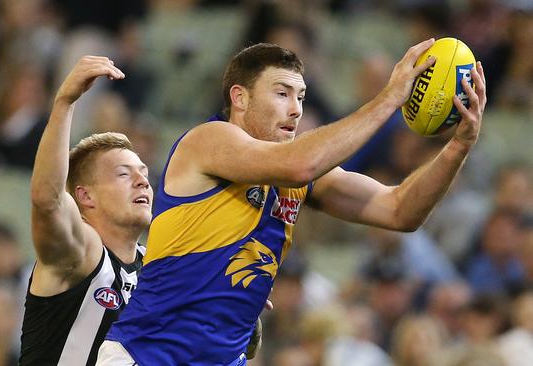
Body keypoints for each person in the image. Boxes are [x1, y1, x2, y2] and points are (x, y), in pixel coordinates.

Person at [101, 39, 487, 365]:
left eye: (300, 96)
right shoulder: (207, 140)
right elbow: (301, 164)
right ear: (240, 97)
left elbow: (400, 210)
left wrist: (459, 146)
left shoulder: (297, 176)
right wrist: (389, 99)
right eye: (282, 93)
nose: (296, 109)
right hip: (144, 356)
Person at [18, 55, 151, 365]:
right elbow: (47, 200)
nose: (142, 181)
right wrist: (64, 102)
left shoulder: (157, 266)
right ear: (85, 196)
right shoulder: (82, 254)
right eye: (123, 173)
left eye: (143, 173)